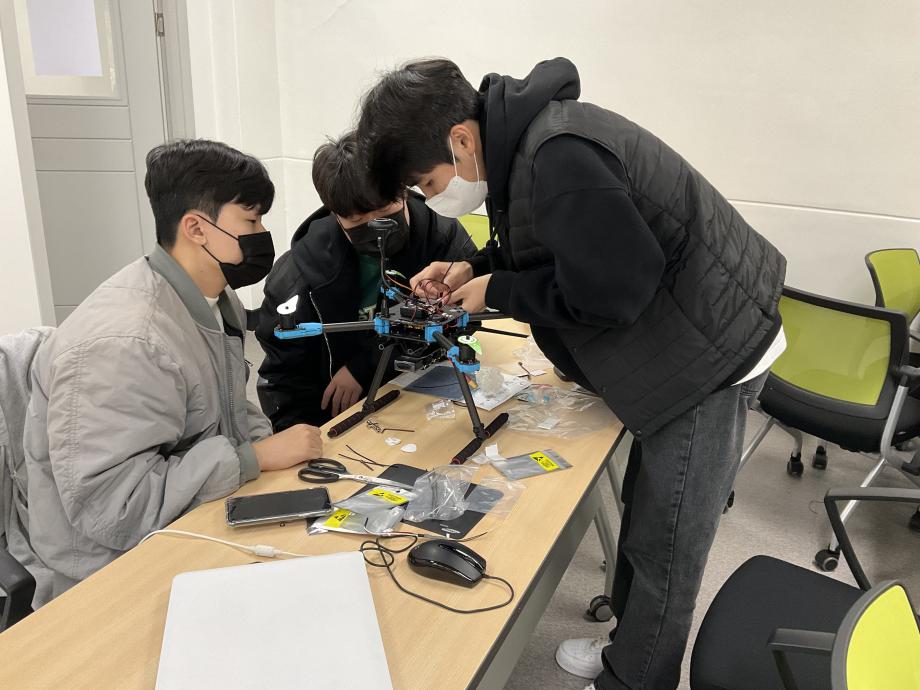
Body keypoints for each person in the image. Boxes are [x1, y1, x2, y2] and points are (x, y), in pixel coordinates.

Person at [357, 57, 786, 690]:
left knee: (666, 546)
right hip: (683, 338)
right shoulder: (527, 147)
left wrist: (498, 291)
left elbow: (614, 292)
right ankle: (628, 648)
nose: (430, 197)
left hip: (708, 357)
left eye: (427, 182)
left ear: (462, 139)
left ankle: (634, 678)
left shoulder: (558, 156)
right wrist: (476, 268)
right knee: (646, 514)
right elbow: (549, 242)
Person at [23, 139, 323, 606]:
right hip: (111, 570)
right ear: (196, 228)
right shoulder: (126, 342)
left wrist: (267, 451)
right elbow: (115, 510)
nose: (263, 233)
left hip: (191, 519)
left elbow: (227, 404)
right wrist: (253, 459)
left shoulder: (210, 300)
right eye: (251, 221)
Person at [255, 131, 476, 429]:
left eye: (384, 211)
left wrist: (365, 365)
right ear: (335, 214)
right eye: (357, 220)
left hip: (425, 395)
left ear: (403, 191)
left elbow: (467, 321)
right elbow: (284, 377)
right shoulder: (298, 276)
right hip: (338, 415)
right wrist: (299, 434)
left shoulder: (443, 238)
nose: (375, 226)